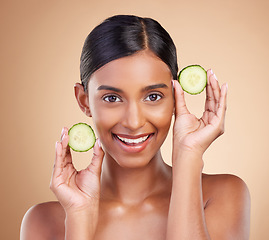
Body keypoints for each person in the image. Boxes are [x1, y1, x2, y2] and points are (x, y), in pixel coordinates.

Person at [20, 15, 250, 240]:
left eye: (152, 96)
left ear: (175, 96)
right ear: (84, 100)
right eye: (112, 98)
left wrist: (188, 156)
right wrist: (78, 218)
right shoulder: (43, 221)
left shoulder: (223, 195)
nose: (133, 122)